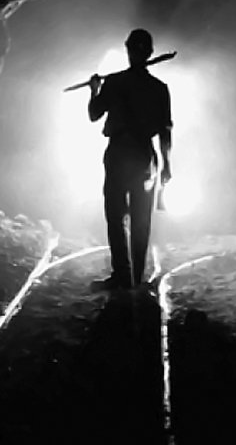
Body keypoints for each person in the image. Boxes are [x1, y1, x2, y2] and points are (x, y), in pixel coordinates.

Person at [88, 29, 173, 290]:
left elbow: (94, 114)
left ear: (128, 50)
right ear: (150, 53)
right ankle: (135, 277)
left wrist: (94, 90)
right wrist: (166, 165)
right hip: (144, 157)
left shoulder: (114, 82)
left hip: (118, 154)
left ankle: (122, 275)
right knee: (141, 218)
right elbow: (165, 131)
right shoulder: (159, 89)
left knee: (115, 216)